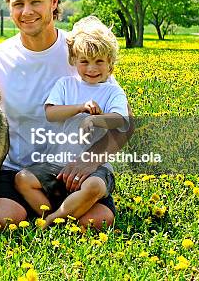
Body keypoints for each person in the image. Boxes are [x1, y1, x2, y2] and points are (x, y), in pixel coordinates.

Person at [0, 0, 133, 230]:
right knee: (1, 219)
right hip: (18, 170)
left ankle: (54, 215)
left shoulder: (81, 51)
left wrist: (91, 159)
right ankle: (59, 215)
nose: (26, 12)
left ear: (53, 2)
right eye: (18, 4)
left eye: (35, 2)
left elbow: (125, 122)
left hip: (74, 169)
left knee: (97, 221)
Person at [13, 16, 129, 228]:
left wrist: (97, 120)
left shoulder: (113, 91)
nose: (91, 68)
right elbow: (51, 113)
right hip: (57, 163)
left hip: (95, 169)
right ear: (74, 60)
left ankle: (51, 221)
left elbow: (121, 120)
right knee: (23, 179)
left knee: (94, 188)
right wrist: (80, 108)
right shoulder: (65, 85)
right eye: (84, 61)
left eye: (99, 61)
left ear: (110, 64)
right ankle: (63, 214)